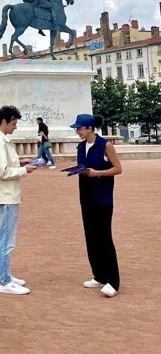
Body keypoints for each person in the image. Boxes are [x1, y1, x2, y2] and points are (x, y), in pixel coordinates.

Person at [0, 105, 38, 295]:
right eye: (13, 123)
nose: (15, 127)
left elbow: (3, 166)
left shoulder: (0, 140)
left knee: (5, 236)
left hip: (6, 194)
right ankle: (4, 280)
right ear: (4, 122)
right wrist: (24, 170)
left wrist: (19, 163)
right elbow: (1, 171)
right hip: (5, 194)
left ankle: (4, 274)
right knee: (6, 238)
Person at [70, 113, 122, 297]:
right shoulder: (81, 146)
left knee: (104, 238)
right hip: (86, 198)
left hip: (103, 199)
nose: (77, 131)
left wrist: (97, 173)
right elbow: (83, 167)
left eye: (80, 128)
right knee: (91, 237)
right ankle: (99, 275)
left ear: (90, 128)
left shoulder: (105, 145)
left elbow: (118, 168)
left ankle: (113, 281)